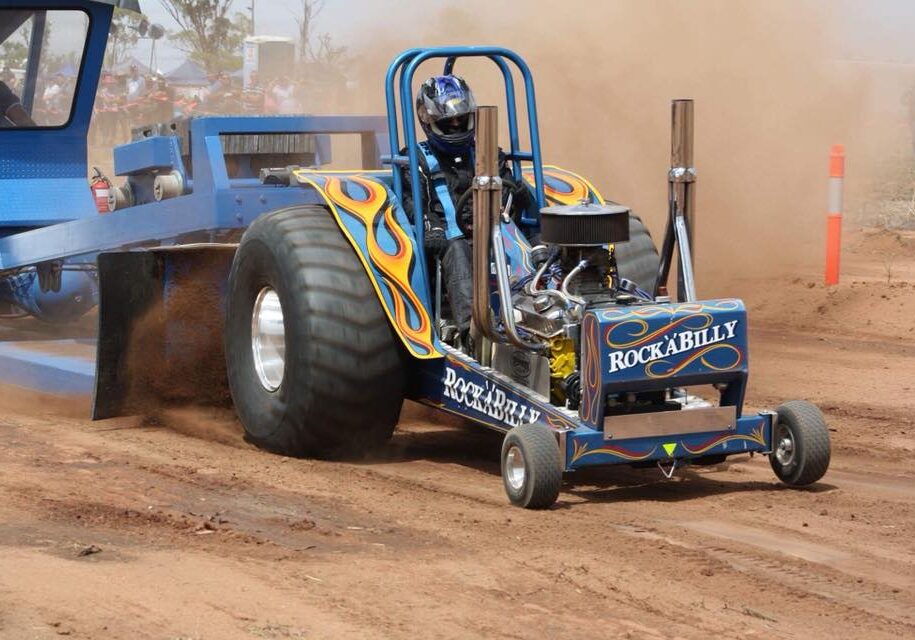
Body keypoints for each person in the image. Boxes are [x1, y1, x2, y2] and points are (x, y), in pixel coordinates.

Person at [401, 75, 528, 345]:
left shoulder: (486, 151)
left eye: (461, 119)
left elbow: (508, 187)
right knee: (456, 247)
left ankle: (540, 313)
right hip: (448, 238)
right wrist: (430, 225)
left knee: (527, 240)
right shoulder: (415, 158)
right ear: (430, 120)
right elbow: (413, 203)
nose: (456, 124)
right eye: (449, 121)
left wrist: (516, 193)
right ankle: (475, 333)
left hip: (494, 228)